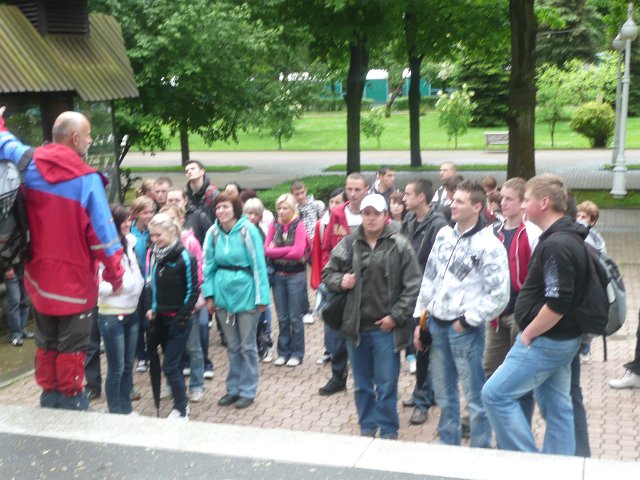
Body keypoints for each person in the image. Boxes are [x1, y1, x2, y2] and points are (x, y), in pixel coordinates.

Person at [0, 107, 124, 410]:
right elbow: (104, 238)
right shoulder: (86, 180)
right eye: (88, 135)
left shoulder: (28, 162)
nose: (91, 140)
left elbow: (4, 142)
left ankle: (49, 401)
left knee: (46, 344)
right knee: (72, 349)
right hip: (75, 284)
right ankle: (71, 404)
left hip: (39, 281)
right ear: (75, 138)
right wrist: (116, 275)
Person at [482, 174, 587, 456]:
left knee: (495, 394)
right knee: (558, 406)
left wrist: (528, 333)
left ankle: (529, 466)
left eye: (526, 200)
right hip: (561, 338)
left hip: (546, 340)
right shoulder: (564, 237)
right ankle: (557, 469)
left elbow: (558, 301)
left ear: (544, 202)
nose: (523, 205)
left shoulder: (556, 244)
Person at [414, 180, 509, 447]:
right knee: (445, 396)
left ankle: (480, 448)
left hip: (464, 332)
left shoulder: (489, 245)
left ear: (477, 207)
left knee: (474, 396)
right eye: (452, 200)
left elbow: (499, 294)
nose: (452, 205)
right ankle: (449, 445)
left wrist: (467, 321)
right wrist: (420, 319)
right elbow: (430, 278)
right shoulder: (444, 235)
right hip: (436, 325)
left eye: (459, 201)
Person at [322, 193, 421, 439]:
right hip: (355, 328)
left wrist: (395, 317)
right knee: (362, 385)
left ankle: (388, 430)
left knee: (387, 385)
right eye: (366, 213)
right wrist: (340, 280)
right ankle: (367, 427)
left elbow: (413, 285)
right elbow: (328, 272)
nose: (371, 218)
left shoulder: (399, 244)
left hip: (385, 329)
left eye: (376, 213)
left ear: (385, 215)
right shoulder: (349, 243)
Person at [203, 193, 270, 409]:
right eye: (218, 208)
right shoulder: (212, 233)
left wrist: (262, 298)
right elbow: (208, 266)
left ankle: (248, 390)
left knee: (247, 346)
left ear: (235, 209)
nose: (221, 211)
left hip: (246, 293)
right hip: (223, 295)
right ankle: (233, 389)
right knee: (232, 346)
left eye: (225, 207)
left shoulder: (247, 231)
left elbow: (258, 265)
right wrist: (209, 295)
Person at [400, 179, 448, 426]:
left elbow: (438, 265)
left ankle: (422, 402)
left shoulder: (438, 225)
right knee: (418, 347)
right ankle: (426, 392)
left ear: (421, 197)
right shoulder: (409, 219)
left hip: (427, 295)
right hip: (410, 292)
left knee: (424, 348)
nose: (403, 198)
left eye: (407, 194)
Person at [145, 213, 199, 420]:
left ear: (170, 232)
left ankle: (181, 409)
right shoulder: (155, 254)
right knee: (172, 364)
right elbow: (151, 284)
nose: (154, 239)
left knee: (170, 364)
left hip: (179, 320)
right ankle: (181, 403)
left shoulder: (185, 257)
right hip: (160, 318)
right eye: (152, 235)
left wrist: (181, 318)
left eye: (158, 235)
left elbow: (192, 291)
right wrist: (152, 308)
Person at [318, 173, 368, 395]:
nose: (353, 194)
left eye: (357, 189)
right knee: (337, 333)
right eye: (349, 189)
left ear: (366, 190)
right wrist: (333, 279)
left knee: (366, 332)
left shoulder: (374, 213)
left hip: (366, 283)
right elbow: (327, 247)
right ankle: (338, 377)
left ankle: (365, 379)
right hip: (340, 282)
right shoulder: (337, 213)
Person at [97, 204, 144, 414]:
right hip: (112, 313)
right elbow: (96, 284)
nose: (128, 224)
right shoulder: (103, 249)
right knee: (116, 367)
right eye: (124, 221)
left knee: (126, 366)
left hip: (131, 311)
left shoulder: (129, 243)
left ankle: (126, 409)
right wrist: (115, 288)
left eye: (129, 220)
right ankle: (115, 411)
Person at [160, 205, 206, 403]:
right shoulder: (160, 244)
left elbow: (199, 272)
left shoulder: (190, 242)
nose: (168, 223)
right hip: (167, 306)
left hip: (187, 304)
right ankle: (171, 383)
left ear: (180, 219)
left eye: (171, 218)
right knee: (170, 348)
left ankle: (197, 385)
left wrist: (193, 299)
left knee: (193, 347)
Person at [264, 193, 310, 367]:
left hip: (295, 276)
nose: (281, 211)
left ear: (292, 209)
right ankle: (283, 352)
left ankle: (297, 353)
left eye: (285, 208)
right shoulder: (274, 225)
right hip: (278, 275)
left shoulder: (298, 225)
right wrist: (286, 250)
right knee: (282, 317)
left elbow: (298, 253)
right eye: (279, 208)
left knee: (295, 317)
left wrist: (277, 250)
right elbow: (266, 250)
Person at [310, 188, 346, 366]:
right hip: (329, 276)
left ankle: (346, 351)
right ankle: (330, 350)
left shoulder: (349, 221)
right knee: (328, 314)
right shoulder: (322, 224)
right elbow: (318, 252)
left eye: (337, 202)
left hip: (347, 275)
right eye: (331, 202)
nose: (333, 206)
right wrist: (318, 278)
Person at [243, 197, 275, 363]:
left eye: (254, 214)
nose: (251, 217)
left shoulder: (261, 231)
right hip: (247, 276)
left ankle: (265, 342)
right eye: (248, 213)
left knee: (263, 309)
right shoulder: (242, 231)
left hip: (262, 272)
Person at [290, 180, 325, 325]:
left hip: (316, 246)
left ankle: (323, 302)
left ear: (306, 190)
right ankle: (305, 310)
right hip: (301, 248)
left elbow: (324, 223)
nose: (299, 196)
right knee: (301, 278)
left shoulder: (317, 205)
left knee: (321, 275)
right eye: (296, 194)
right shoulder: (292, 209)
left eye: (301, 193)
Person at [130, 196, 155, 374]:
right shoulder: (129, 232)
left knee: (150, 321)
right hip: (135, 282)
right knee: (137, 321)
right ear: (136, 214)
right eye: (145, 212)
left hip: (151, 282)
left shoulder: (155, 230)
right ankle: (141, 356)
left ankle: (152, 353)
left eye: (151, 211)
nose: (149, 215)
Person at [4, 261, 32, 346]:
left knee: (25, 301)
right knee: (14, 301)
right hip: (11, 269)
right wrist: (7, 267)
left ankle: (23, 330)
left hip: (24, 268)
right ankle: (15, 335)